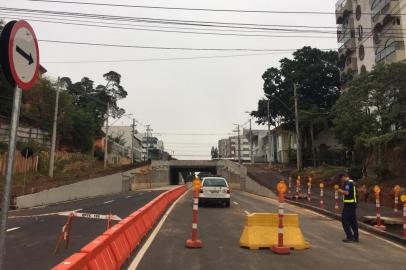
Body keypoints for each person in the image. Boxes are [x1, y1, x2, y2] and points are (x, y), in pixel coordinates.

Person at [337, 172, 359, 243]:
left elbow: (347, 193)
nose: (341, 181)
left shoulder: (347, 183)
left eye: (341, 179)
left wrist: (340, 191)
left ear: (343, 177)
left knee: (344, 219)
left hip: (349, 204)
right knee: (353, 221)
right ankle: (356, 237)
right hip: (352, 204)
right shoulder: (352, 182)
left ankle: (350, 237)